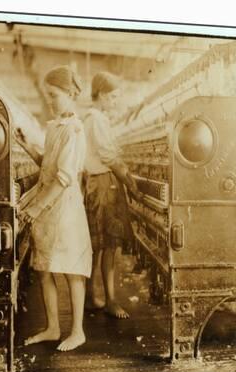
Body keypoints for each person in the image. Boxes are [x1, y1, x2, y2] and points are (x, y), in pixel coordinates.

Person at [16, 65, 92, 352]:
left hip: (64, 209)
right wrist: (25, 145)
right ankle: (52, 327)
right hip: (49, 206)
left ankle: (77, 331)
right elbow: (47, 166)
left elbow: (63, 177)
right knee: (44, 268)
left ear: (71, 94)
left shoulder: (74, 130)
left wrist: (36, 208)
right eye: (48, 95)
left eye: (55, 95)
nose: (51, 100)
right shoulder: (55, 127)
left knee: (71, 270)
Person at [83, 71, 142, 319]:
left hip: (96, 184)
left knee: (98, 245)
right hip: (104, 185)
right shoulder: (96, 119)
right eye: (114, 96)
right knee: (109, 244)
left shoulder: (93, 118)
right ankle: (110, 300)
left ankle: (90, 295)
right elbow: (108, 155)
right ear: (103, 95)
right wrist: (129, 179)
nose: (116, 101)